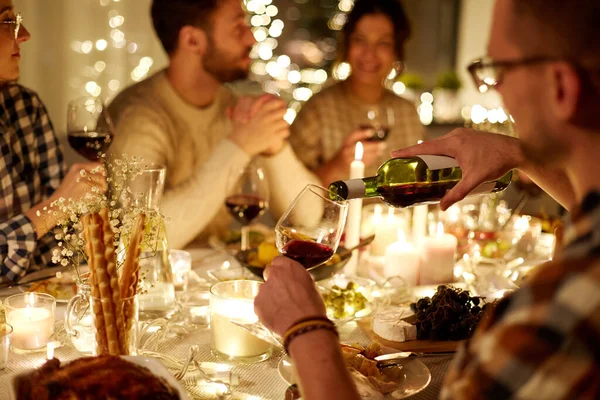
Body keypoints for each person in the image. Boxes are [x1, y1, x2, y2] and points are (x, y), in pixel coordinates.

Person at [255, 0, 600, 398]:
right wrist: (515, 150)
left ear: (561, 86)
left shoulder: (546, 323)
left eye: (499, 70)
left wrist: (306, 329)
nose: (495, 89)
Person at [107, 0, 319, 249]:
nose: (251, 39)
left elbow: (311, 219)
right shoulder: (138, 118)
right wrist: (239, 146)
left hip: (215, 276)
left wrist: (274, 149)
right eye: (237, 28)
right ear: (192, 40)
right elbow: (142, 239)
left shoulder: (234, 105)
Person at [0, 0, 105, 282]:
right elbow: (56, 214)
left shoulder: (25, 106)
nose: (24, 34)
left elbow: (62, 238)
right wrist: (54, 208)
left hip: (38, 300)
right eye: (7, 21)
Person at [289, 0, 424, 185]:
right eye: (360, 40)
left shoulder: (407, 113)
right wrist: (339, 164)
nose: (369, 54)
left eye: (383, 43)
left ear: (396, 51)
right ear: (346, 45)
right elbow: (289, 197)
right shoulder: (318, 110)